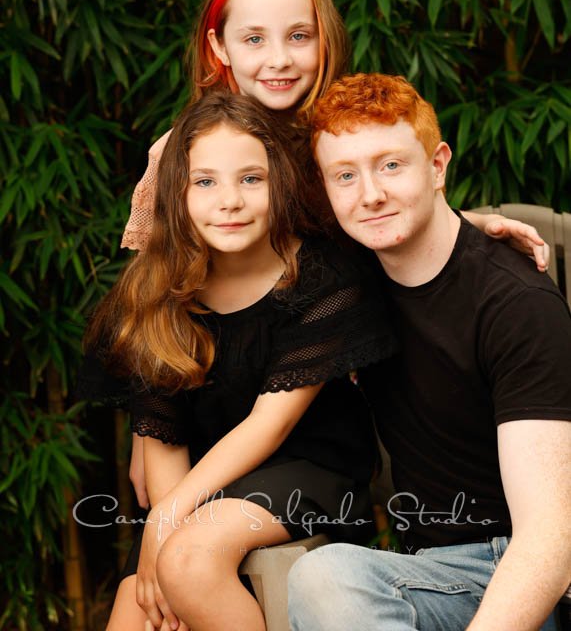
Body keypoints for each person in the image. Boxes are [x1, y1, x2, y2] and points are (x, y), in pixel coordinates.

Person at [111, 0, 550, 509]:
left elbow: (384, 211)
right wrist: (148, 431)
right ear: (218, 47)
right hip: (207, 401)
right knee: (156, 568)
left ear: (326, 40)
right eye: (253, 40)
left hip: (308, 406)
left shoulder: (331, 137)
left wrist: (471, 223)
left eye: (299, 36)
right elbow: (155, 296)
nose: (279, 59)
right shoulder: (180, 155)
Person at [83, 92, 397, 630]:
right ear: (175, 194)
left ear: (283, 184)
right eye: (204, 182)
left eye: (251, 179)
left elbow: (267, 428)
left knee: (187, 561)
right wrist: (165, 520)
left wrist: (168, 521)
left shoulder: (320, 278)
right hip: (200, 487)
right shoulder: (156, 293)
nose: (229, 200)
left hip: (309, 468)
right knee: (136, 616)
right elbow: (163, 434)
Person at [287, 72, 571, 631]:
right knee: (324, 577)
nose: (370, 193)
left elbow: (550, 540)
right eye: (345, 175)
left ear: (437, 166)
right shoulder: (347, 284)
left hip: (527, 572)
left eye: (391, 165)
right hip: (429, 573)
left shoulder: (515, 303)